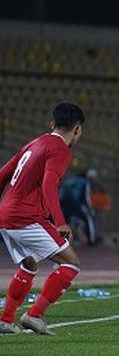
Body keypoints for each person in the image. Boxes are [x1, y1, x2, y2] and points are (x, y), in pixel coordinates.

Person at [0, 102, 85, 335]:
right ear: (77, 130)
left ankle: (6, 320)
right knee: (71, 262)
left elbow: (3, 174)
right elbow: (49, 184)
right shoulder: (61, 149)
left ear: (52, 124)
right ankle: (34, 315)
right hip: (25, 216)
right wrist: (60, 221)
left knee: (29, 264)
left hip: (6, 215)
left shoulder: (34, 143)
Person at [60, 168, 99, 245]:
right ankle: (92, 239)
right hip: (78, 203)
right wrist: (90, 208)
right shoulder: (85, 182)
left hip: (66, 203)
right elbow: (86, 197)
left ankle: (62, 241)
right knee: (89, 219)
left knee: (64, 221)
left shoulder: (72, 180)